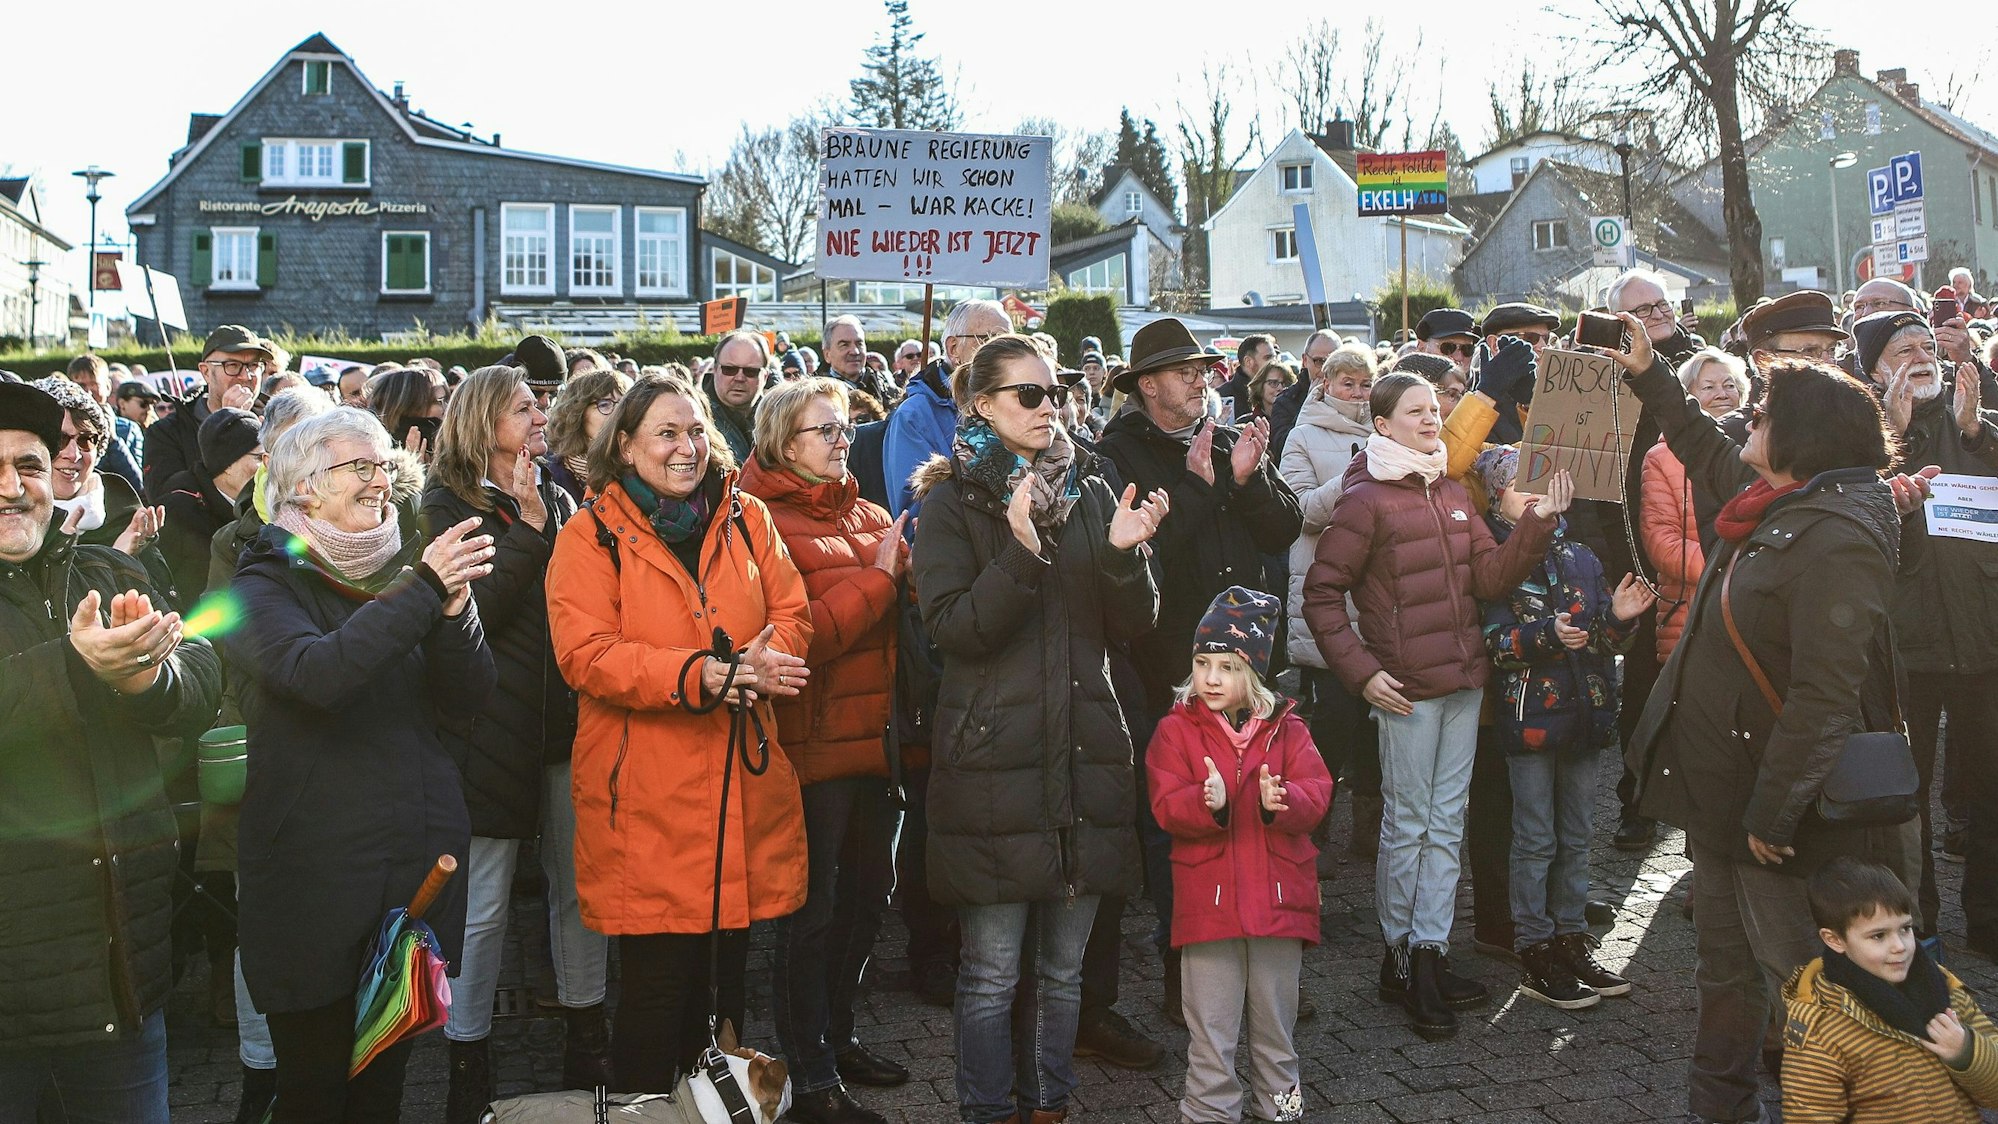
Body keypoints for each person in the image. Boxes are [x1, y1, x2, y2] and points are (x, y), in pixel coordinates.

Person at [1612, 311, 1931, 1124]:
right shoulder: (1771, 499)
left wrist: (1774, 811)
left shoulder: (1840, 533)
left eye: (1761, 414)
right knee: (1722, 977)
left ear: (1805, 438)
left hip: (1780, 812)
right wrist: (1649, 373)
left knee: (1811, 991)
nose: (1745, 419)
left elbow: (1829, 697)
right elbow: (1699, 443)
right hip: (1725, 795)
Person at [908, 333, 1166, 1124]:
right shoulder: (951, 503)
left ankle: (1050, 1106)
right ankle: (988, 1111)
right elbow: (953, 632)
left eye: (1053, 390)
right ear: (981, 404)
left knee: (1063, 972)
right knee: (989, 973)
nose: (1049, 404)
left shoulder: (1091, 486)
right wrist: (1020, 553)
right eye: (1028, 393)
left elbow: (1135, 626)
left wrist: (1127, 559)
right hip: (995, 767)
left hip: (1086, 753)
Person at [545, 373, 813, 1093]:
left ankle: (714, 1107)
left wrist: (765, 656)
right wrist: (701, 675)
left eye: (695, 430)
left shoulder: (746, 516)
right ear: (625, 445)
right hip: (647, 796)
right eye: (666, 433)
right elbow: (585, 654)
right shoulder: (589, 534)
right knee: (658, 993)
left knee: (725, 990)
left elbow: (792, 610)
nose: (687, 446)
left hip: (740, 785)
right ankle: (639, 1109)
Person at [232, 407, 496, 1122]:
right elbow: (319, 675)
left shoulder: (400, 579)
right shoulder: (258, 584)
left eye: (387, 466)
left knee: (380, 1096)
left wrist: (452, 615)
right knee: (316, 1097)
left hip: (403, 889)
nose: (384, 481)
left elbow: (471, 695)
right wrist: (424, 591)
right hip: (310, 903)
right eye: (362, 467)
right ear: (304, 487)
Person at [1300, 371, 1570, 1038]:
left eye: (1434, 409)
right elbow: (1320, 594)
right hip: (1404, 689)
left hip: (1463, 681)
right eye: (1415, 412)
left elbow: (1487, 578)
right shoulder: (1365, 500)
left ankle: (1430, 951)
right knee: (1410, 824)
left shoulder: (1450, 489)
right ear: (1382, 425)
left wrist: (1536, 523)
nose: (1430, 419)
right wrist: (1361, 673)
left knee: (1445, 823)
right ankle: (1401, 959)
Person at [0, 382, 223, 1124]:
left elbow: (199, 673)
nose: (12, 488)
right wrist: (76, 665)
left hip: (120, 983)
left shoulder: (104, 569)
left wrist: (147, 677)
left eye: (29, 466)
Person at [1092, 317, 1302, 1058]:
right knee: (1182, 833)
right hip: (1170, 677)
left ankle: (1247, 970)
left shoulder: (1225, 437)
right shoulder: (1118, 454)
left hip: (1246, 676)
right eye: (1186, 372)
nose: (1202, 381)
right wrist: (1200, 489)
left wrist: (1245, 482)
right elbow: (1140, 562)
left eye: (1204, 370)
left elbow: (1283, 528)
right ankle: (1190, 980)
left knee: (1250, 820)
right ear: (1148, 385)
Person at [418, 367, 608, 1121]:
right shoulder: (442, 504)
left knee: (578, 888)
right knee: (483, 905)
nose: (540, 417)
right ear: (483, 419)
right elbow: (470, 616)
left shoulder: (556, 494)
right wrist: (529, 532)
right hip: (484, 732)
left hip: (562, 724)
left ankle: (587, 1031)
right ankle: (469, 1054)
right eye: (524, 407)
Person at [740, 378, 908, 1124]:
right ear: (783, 442)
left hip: (878, 741)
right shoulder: (758, 523)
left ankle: (839, 1039)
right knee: (809, 916)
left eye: (844, 427)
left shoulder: (869, 511)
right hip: (810, 747)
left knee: (870, 900)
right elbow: (804, 635)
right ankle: (808, 1077)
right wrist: (879, 581)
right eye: (824, 430)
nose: (844, 439)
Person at [1474, 445, 1649, 1009]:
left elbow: (1600, 637)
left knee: (1577, 833)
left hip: (1584, 715)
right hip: (1528, 721)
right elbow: (1493, 643)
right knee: (1534, 837)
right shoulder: (1496, 555)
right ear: (1497, 498)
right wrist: (1546, 635)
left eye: (1545, 486)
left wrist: (1617, 620)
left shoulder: (1581, 556)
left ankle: (1571, 935)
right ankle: (1534, 945)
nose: (1538, 496)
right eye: (1522, 487)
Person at [1148, 587, 1330, 1124]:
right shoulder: (1174, 730)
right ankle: (1208, 1114)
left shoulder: (1290, 730)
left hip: (1279, 907)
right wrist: (1210, 805)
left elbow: (1316, 794)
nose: (1210, 677)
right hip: (1210, 909)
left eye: (1226, 665)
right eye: (1202, 663)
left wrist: (1284, 803)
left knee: (1278, 1033)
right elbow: (1164, 804)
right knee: (1211, 1034)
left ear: (1251, 671)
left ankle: (1284, 1111)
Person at [1849, 310, 1998, 949]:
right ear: (1874, 367)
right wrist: (1888, 437)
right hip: (1903, 646)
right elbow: (1852, 515)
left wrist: (1976, 433)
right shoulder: (1857, 433)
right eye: (1903, 348)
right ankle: (1919, 923)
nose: (1920, 355)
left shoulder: (1975, 424)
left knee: (1990, 787)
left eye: (1927, 345)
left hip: (1983, 636)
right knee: (1904, 796)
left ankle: (1990, 920)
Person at [1780, 858, 1998, 1122]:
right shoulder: (1822, 1028)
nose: (1900, 946)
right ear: (1834, 940)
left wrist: (1965, 1051)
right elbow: (1810, 1115)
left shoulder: (1943, 988)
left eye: (1905, 929)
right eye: (1878, 936)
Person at [1278, 341, 1380, 853]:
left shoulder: (1384, 428)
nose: (1357, 394)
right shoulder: (1303, 435)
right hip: (1328, 595)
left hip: (1378, 595)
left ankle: (1368, 829)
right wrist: (1356, 473)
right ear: (1326, 383)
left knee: (1375, 726)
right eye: (1348, 383)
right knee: (1334, 722)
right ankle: (1312, 828)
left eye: (1365, 384)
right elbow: (1301, 512)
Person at [1640, 349, 1749, 665]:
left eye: (1729, 385)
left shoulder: (1759, 451)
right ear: (1686, 400)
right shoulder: (1661, 457)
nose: (1722, 394)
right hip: (1690, 611)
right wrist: (1734, 567)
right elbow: (1660, 542)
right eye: (1709, 387)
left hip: (1752, 607)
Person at [146, 325, 274, 501]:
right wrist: (225, 425)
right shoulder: (167, 431)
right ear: (206, 372)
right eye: (233, 365)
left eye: (253, 366)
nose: (246, 376)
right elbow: (165, 497)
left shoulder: (274, 419)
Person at [159, 407, 261, 599]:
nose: (267, 466)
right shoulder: (178, 511)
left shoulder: (264, 507)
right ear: (228, 464)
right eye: (259, 457)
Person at [542, 368, 631, 505]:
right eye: (605, 404)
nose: (617, 413)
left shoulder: (636, 469)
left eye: (622, 405)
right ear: (577, 414)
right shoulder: (550, 476)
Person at [69, 353, 146, 492]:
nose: (88, 393)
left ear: (107, 387)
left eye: (94, 384)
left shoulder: (128, 429)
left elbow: (137, 484)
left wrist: (112, 439)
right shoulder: (64, 429)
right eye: (81, 385)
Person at [705, 329, 769, 464]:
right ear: (715, 370)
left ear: (765, 376)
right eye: (730, 369)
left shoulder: (782, 420)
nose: (739, 378)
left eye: (750, 371)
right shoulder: (696, 420)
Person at [371, 366, 447, 455]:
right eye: (439, 401)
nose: (446, 407)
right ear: (412, 407)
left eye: (447, 399)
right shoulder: (376, 453)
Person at [822, 316, 889, 404]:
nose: (855, 351)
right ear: (827, 354)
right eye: (844, 345)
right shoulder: (812, 396)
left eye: (859, 344)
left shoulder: (886, 388)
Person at [1415, 308, 1480, 377]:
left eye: (1467, 349)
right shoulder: (1405, 385)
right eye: (1448, 348)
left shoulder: (1487, 385)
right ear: (1421, 347)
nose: (1459, 357)